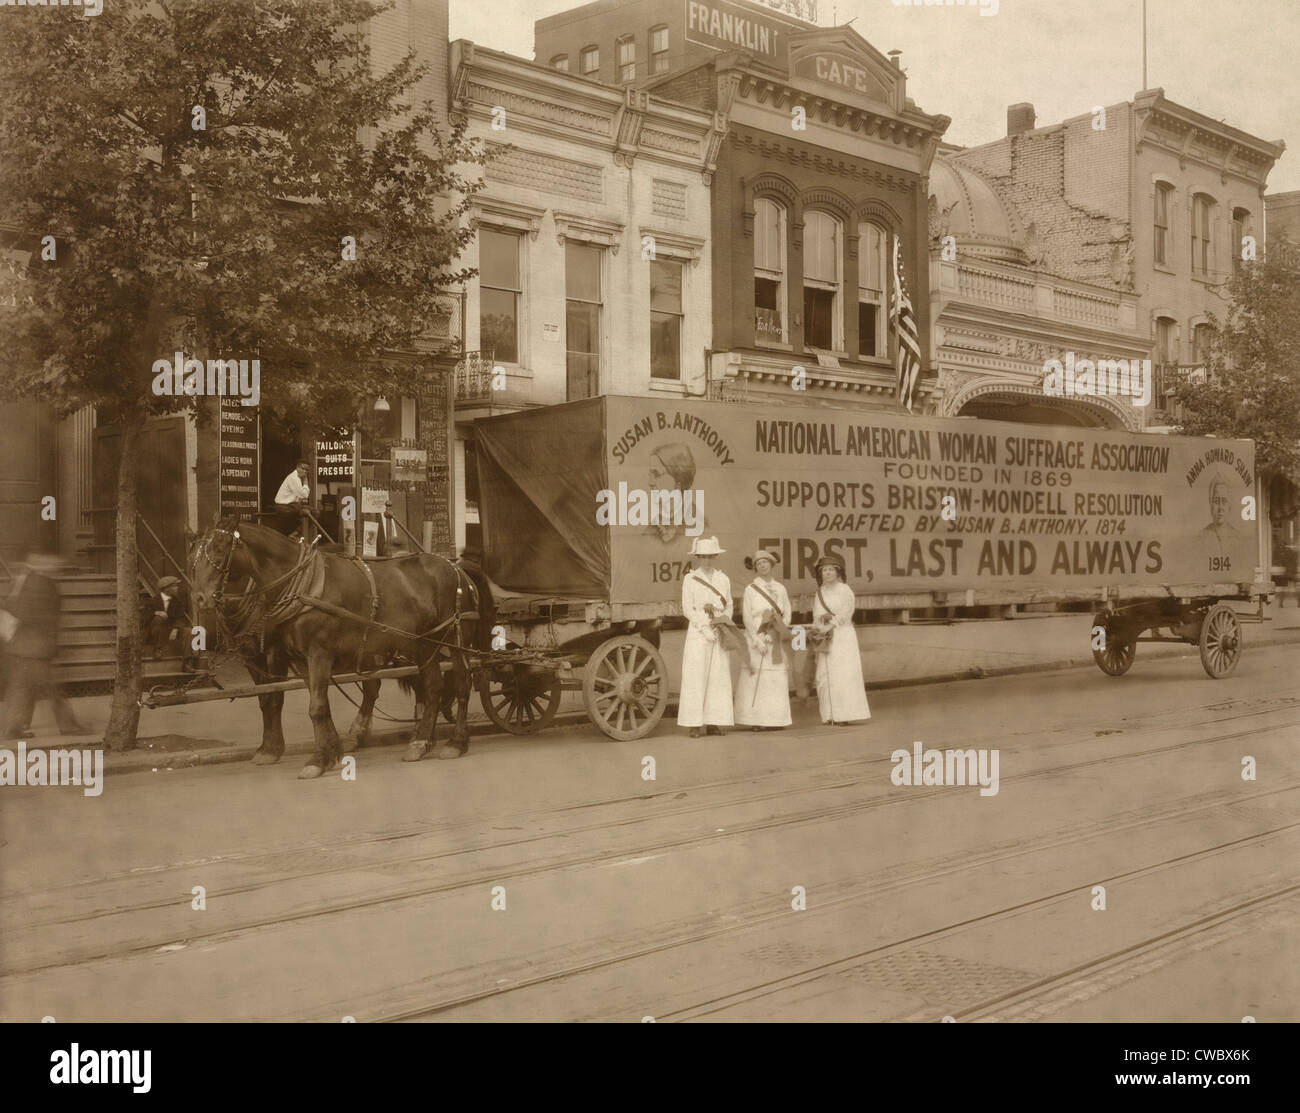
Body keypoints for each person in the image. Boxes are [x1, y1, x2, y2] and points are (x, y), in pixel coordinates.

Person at [1, 550, 88, 739]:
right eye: (52, 562)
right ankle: (68, 727)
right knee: (52, 689)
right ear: (41, 562)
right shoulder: (42, 583)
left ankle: (13, 728)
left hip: (20, 646)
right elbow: (39, 615)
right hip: (36, 646)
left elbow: (14, 608)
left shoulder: (23, 581)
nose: (56, 566)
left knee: (21, 688)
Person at [678, 536, 734, 738]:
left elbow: (729, 605)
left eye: (710, 557)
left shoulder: (723, 579)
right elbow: (687, 608)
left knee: (717, 677)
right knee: (696, 675)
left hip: (719, 629)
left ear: (716, 557)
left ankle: (714, 722)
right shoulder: (690, 579)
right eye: (703, 557)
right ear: (698, 557)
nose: (707, 561)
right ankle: (694, 723)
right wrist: (703, 627)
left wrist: (721, 622)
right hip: (698, 631)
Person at [734, 549, 792, 731]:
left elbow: (787, 613)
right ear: (755, 568)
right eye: (759, 564)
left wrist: (776, 630)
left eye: (765, 562)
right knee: (757, 675)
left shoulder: (780, 588)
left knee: (774, 675)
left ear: (771, 565)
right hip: (756, 634)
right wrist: (756, 638)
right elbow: (747, 616)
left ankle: (775, 720)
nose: (762, 566)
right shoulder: (750, 589)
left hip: (775, 633)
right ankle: (756, 720)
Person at [810, 554, 871, 727]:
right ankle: (829, 714)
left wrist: (831, 624)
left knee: (843, 673)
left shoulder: (845, 590)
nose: (827, 573)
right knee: (824, 674)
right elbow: (816, 613)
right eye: (824, 570)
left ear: (838, 572)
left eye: (830, 570)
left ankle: (844, 714)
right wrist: (819, 627)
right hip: (825, 636)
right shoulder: (819, 592)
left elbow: (847, 611)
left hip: (842, 636)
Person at [143, 575, 189, 657]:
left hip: (170, 630)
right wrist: (156, 613)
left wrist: (176, 628)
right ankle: (157, 649)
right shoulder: (153, 601)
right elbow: (144, 617)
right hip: (154, 632)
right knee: (158, 619)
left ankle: (187, 660)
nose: (177, 588)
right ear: (167, 588)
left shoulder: (177, 602)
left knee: (188, 631)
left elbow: (180, 617)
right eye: (175, 586)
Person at [273, 461, 311, 538]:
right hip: (284, 507)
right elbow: (304, 495)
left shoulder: (298, 478)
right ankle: (295, 535)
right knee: (314, 512)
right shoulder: (294, 478)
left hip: (290, 506)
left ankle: (296, 534)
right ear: (297, 467)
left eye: (306, 470)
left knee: (308, 511)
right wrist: (306, 483)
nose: (304, 471)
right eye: (303, 468)